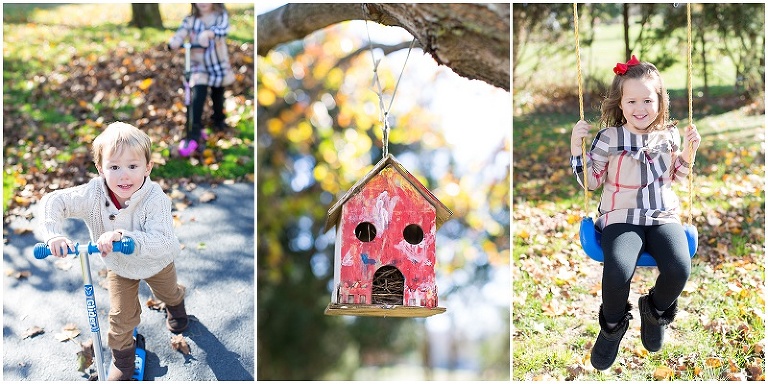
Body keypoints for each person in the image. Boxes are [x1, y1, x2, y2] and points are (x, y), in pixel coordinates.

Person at [569, 55, 701, 370]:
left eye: (647, 100)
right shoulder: (608, 138)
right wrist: (577, 148)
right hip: (621, 217)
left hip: (661, 216)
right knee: (617, 271)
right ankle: (612, 328)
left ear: (660, 102)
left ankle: (654, 312)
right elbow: (591, 182)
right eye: (632, 101)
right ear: (621, 104)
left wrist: (688, 152)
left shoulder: (668, 135)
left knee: (679, 267)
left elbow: (675, 175)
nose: (639, 108)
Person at [36, 122, 188, 380]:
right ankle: (124, 363)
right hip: (120, 266)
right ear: (101, 169)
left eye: (133, 166)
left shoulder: (155, 199)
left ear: (148, 167)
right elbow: (54, 200)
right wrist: (54, 235)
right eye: (114, 167)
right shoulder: (94, 194)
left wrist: (122, 235)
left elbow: (162, 240)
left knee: (167, 291)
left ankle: (176, 304)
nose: (123, 175)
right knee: (120, 318)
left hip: (156, 261)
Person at [168, 3, 235, 157]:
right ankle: (194, 130)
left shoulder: (220, 16)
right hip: (198, 64)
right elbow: (181, 32)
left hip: (217, 62)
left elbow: (223, 29)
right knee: (197, 93)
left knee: (218, 94)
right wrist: (176, 41)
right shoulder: (190, 19)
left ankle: (218, 120)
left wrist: (209, 34)